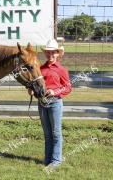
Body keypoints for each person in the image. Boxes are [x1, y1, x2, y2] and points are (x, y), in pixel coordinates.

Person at [29, 39, 72, 169]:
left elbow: (68, 87)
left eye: (53, 53)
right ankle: (47, 160)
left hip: (55, 103)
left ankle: (56, 161)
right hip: (42, 103)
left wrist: (55, 91)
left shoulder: (61, 70)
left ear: (58, 53)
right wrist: (31, 91)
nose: (50, 55)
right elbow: (36, 86)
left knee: (56, 133)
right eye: (48, 53)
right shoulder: (40, 68)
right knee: (47, 133)